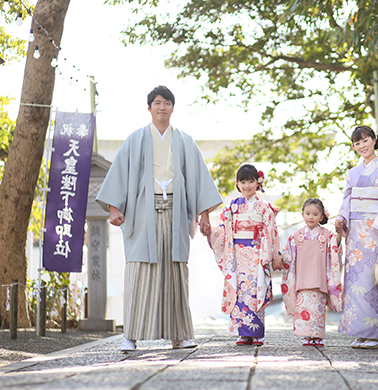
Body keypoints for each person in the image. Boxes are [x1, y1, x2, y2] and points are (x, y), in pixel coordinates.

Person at [96, 86, 222, 351]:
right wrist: (114, 208)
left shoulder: (186, 141)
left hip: (176, 210)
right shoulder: (135, 139)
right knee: (139, 270)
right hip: (143, 210)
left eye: (166, 103)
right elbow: (119, 173)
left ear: (173, 108)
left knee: (175, 270)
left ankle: (180, 335)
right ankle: (130, 335)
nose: (161, 107)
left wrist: (205, 213)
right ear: (149, 108)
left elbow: (199, 178)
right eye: (157, 103)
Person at [335, 125, 378, 350]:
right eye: (357, 143)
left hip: (376, 232)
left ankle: (374, 334)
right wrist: (341, 219)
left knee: (374, 280)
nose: (362, 146)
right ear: (354, 147)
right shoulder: (353, 173)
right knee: (355, 281)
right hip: (355, 233)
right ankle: (360, 332)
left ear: (374, 140)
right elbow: (347, 200)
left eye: (365, 140)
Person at [206, 164, 280, 346]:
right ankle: (242, 332)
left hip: (257, 252)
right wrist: (211, 232)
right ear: (237, 184)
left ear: (258, 183)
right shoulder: (232, 206)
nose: (247, 185)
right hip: (237, 253)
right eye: (243, 181)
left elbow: (271, 231)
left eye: (251, 181)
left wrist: (274, 254)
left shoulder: (264, 207)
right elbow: (224, 229)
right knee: (239, 290)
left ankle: (256, 333)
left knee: (256, 289)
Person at [272, 198, 342, 347]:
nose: (311, 217)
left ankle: (317, 335)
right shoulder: (297, 236)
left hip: (319, 277)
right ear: (302, 214)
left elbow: (335, 248)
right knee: (303, 305)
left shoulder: (327, 235)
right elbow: (287, 253)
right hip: (302, 278)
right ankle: (306, 335)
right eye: (308, 213)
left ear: (322, 216)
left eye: (315, 214)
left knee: (317, 307)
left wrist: (339, 234)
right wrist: (279, 257)